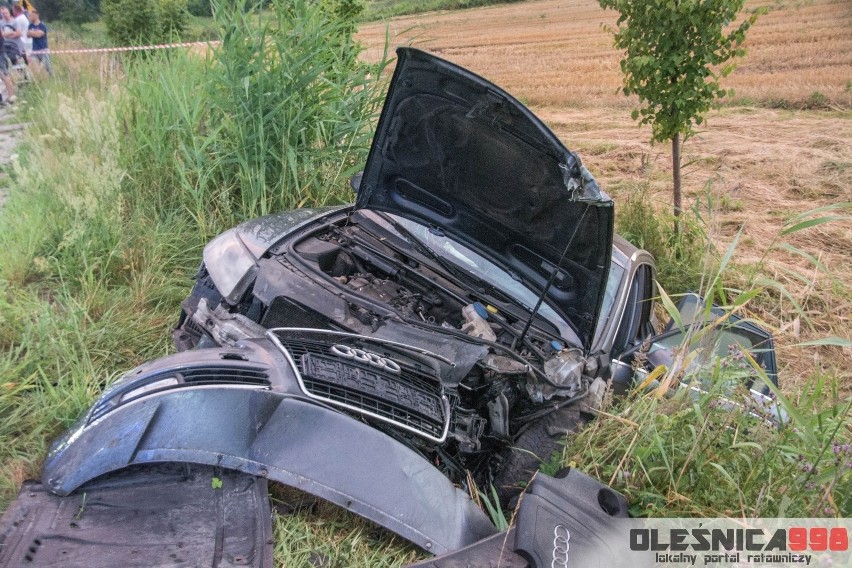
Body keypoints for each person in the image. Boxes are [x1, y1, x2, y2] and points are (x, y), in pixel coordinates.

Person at [26, 7, 49, 75]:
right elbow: (27, 35)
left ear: (36, 15)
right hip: (34, 50)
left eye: (30, 16)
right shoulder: (30, 25)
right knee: (36, 70)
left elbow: (39, 35)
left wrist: (32, 33)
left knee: (47, 68)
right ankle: (39, 80)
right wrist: (34, 33)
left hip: (43, 49)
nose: (29, 17)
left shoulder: (42, 25)